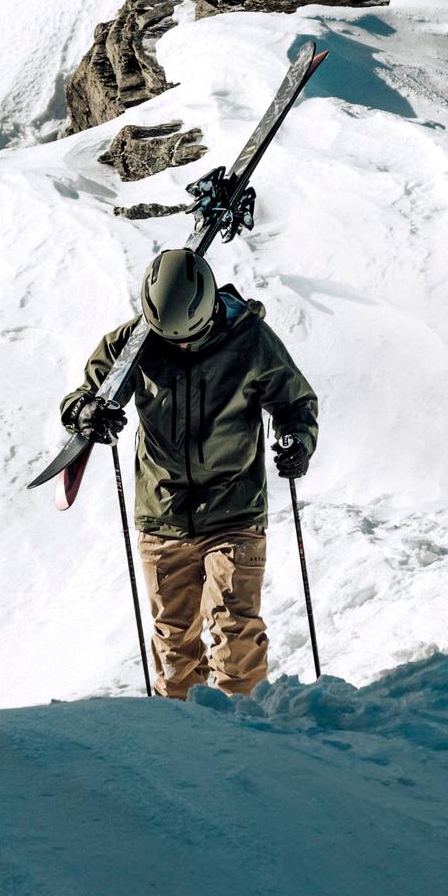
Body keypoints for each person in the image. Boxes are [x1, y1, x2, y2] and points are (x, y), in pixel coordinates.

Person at [61, 247, 319, 699]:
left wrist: (298, 441)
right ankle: (182, 746)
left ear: (210, 309)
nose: (180, 345)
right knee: (173, 642)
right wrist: (87, 414)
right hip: (161, 513)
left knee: (235, 630)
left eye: (191, 336)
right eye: (170, 337)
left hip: (234, 509)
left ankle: (245, 736)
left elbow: (295, 402)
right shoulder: (131, 342)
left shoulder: (250, 340)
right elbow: (84, 396)